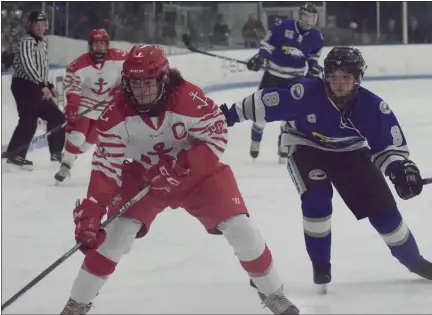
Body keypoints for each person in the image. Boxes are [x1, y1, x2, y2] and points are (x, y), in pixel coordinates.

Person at [60, 45, 300, 315]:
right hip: (144, 179)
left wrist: (184, 164)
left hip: (198, 177)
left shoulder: (189, 99)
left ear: (164, 79)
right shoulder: (113, 115)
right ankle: (77, 303)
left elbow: (218, 134)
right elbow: (106, 168)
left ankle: (272, 292)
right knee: (115, 235)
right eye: (134, 84)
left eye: (148, 83)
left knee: (240, 227)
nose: (140, 92)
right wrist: (92, 210)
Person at [221, 47, 432, 290]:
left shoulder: (373, 106)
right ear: (325, 76)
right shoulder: (306, 93)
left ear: (358, 79)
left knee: (385, 215)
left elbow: (388, 147)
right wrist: (224, 116)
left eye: (347, 78)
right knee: (317, 201)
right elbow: (264, 103)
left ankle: (416, 262)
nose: (340, 84)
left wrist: (400, 172)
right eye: (334, 77)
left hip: (351, 154)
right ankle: (321, 267)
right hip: (306, 148)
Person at [246, 4, 324, 163]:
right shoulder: (283, 27)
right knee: (261, 111)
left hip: (295, 79)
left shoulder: (316, 37)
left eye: (312, 17)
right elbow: (267, 45)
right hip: (273, 76)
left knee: (290, 115)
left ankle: (283, 145)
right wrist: (260, 57)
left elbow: (312, 58)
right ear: (300, 15)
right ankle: (256, 138)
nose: (308, 20)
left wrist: (313, 68)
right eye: (305, 16)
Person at [54, 29, 127, 184]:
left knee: (88, 143)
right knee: (78, 136)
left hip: (107, 108)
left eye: (102, 43)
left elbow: (130, 73)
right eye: (96, 44)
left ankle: (72, 154)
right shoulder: (79, 64)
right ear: (90, 46)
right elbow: (73, 86)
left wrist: (123, 87)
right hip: (85, 104)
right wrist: (72, 106)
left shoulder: (120, 58)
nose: (99, 47)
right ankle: (66, 164)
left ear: (107, 44)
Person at [2, 11, 65, 170]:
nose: (40, 26)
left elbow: (41, 68)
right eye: (37, 23)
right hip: (24, 85)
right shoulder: (26, 42)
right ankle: (14, 155)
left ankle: (56, 152)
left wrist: (49, 85)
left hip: (37, 85)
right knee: (28, 120)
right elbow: (28, 65)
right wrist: (41, 85)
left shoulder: (43, 43)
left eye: (43, 23)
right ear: (30, 25)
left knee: (56, 116)